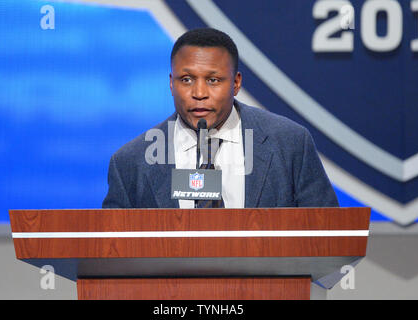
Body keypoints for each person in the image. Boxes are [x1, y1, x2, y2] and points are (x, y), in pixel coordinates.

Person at [102, 28, 339, 209]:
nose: (199, 93)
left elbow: (328, 239)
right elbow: (111, 256)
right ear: (171, 84)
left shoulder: (290, 144)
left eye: (213, 80)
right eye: (186, 79)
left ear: (236, 83)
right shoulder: (131, 163)